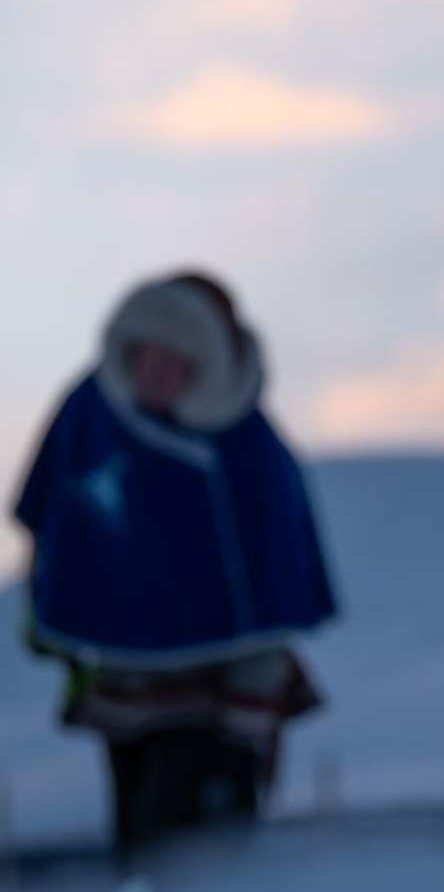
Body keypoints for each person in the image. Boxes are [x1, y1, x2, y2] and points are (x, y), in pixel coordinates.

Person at [12, 271, 337, 857]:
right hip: (124, 675)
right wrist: (52, 598)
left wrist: (262, 659)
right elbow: (50, 506)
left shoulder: (246, 439)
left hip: (226, 687)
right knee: (138, 832)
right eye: (147, 355)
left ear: (205, 363)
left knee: (205, 847)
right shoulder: (90, 412)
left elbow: (276, 542)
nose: (157, 373)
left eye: (176, 358)